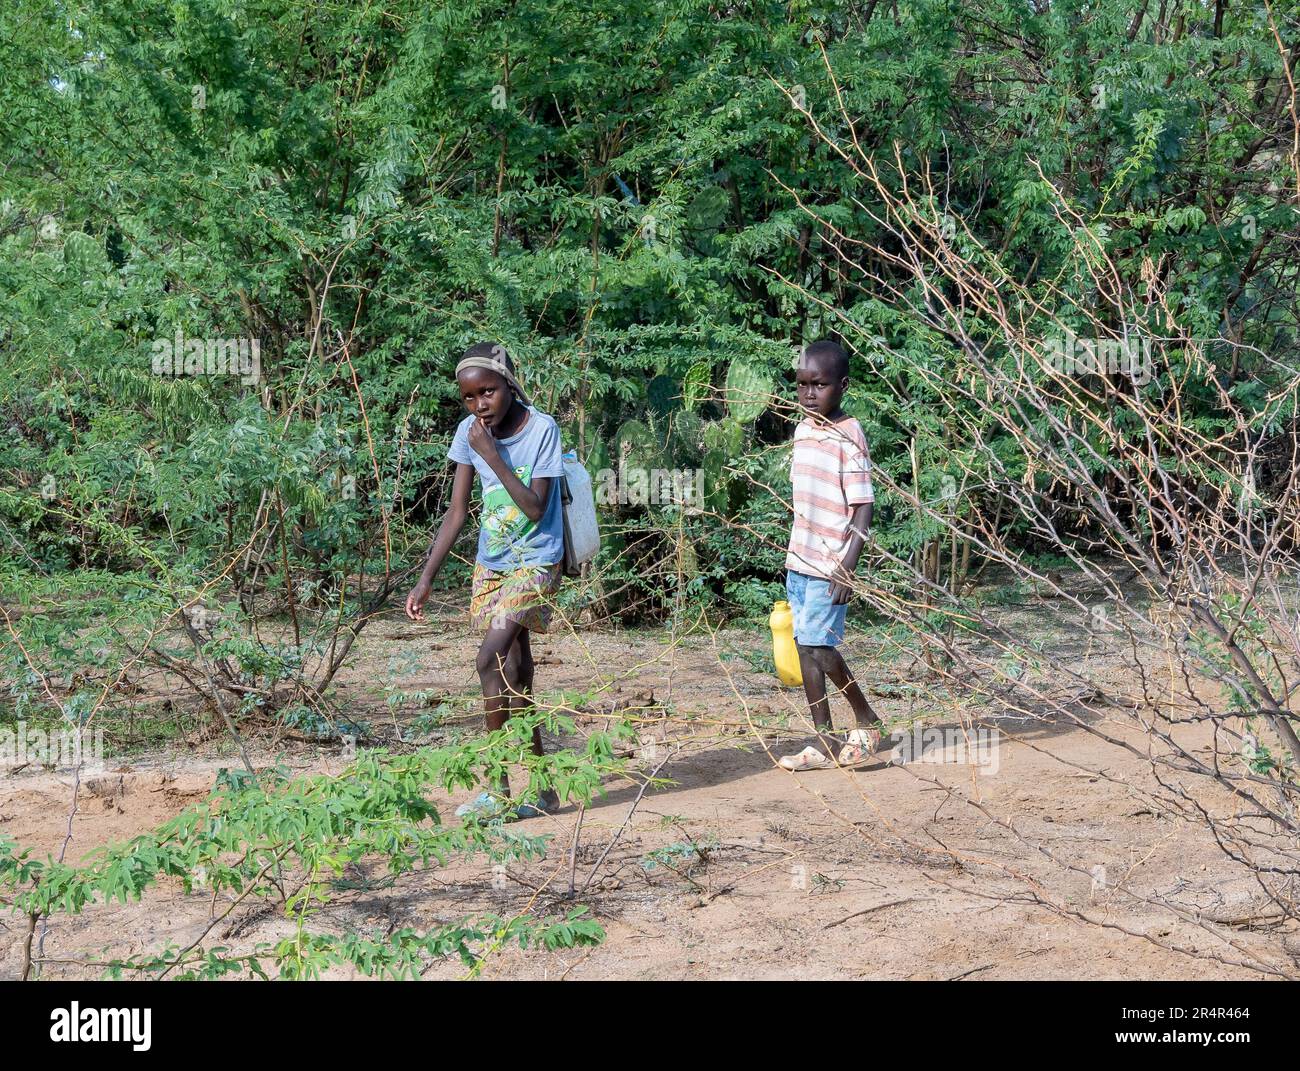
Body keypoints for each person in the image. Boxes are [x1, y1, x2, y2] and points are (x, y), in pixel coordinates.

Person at [405, 342, 565, 818]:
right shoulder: (468, 433)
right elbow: (456, 513)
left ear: (509, 385)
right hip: (491, 565)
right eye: (470, 398)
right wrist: (426, 579)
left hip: (536, 560)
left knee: (487, 661)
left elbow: (536, 508)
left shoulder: (542, 430)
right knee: (516, 674)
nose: (480, 405)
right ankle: (545, 789)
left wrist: (492, 455)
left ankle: (496, 791)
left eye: (489, 392)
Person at [779, 340, 885, 771]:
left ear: (841, 386)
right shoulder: (803, 430)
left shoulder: (849, 434)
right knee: (805, 650)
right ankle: (822, 740)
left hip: (831, 563)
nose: (809, 394)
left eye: (819, 385)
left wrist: (847, 563)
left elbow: (863, 504)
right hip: (799, 559)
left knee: (819, 645)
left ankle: (866, 717)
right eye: (802, 385)